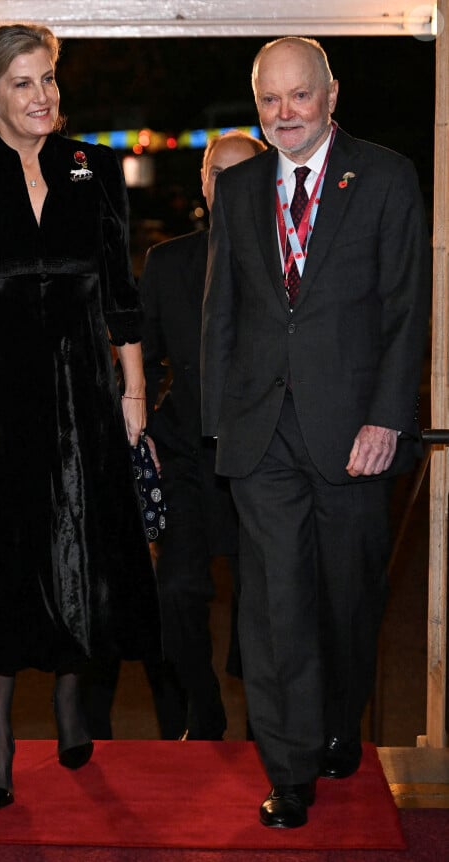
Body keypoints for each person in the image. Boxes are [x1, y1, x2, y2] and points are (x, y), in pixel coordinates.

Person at [0, 23, 161, 809]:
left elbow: (119, 289)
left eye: (49, 78)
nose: (42, 96)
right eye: (22, 82)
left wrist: (132, 393)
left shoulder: (92, 166)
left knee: (79, 546)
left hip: (84, 388)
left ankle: (67, 701)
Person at [201, 36, 430, 828]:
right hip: (264, 436)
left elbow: (408, 311)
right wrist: (219, 427)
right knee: (273, 607)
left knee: (349, 600)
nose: (284, 113)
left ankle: (340, 720)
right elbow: (220, 314)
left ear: (332, 94)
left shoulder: (390, 178)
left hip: (355, 437)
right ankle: (289, 765)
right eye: (270, 99)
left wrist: (388, 418)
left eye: (299, 95)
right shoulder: (239, 190)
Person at [139, 130, 266, 740]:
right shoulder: (167, 263)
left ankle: (264, 716)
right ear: (204, 182)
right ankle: (204, 710)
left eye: (242, 172)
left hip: (263, 459)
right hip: (185, 454)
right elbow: (142, 360)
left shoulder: (285, 264)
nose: (227, 185)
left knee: (263, 604)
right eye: (217, 172)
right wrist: (141, 428)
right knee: (176, 594)